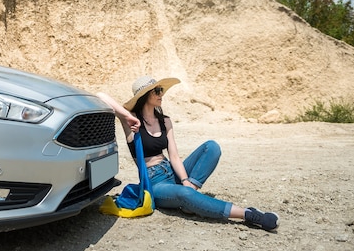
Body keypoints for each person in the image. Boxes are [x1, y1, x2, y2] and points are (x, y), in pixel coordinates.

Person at [97, 75, 279, 231]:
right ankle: (248, 214)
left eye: (161, 90)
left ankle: (189, 194)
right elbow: (101, 96)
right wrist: (127, 115)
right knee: (186, 196)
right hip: (155, 183)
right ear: (145, 95)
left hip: (171, 170)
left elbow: (174, 156)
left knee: (211, 147)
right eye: (157, 90)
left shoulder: (165, 121)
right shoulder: (131, 122)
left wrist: (186, 181)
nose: (162, 94)